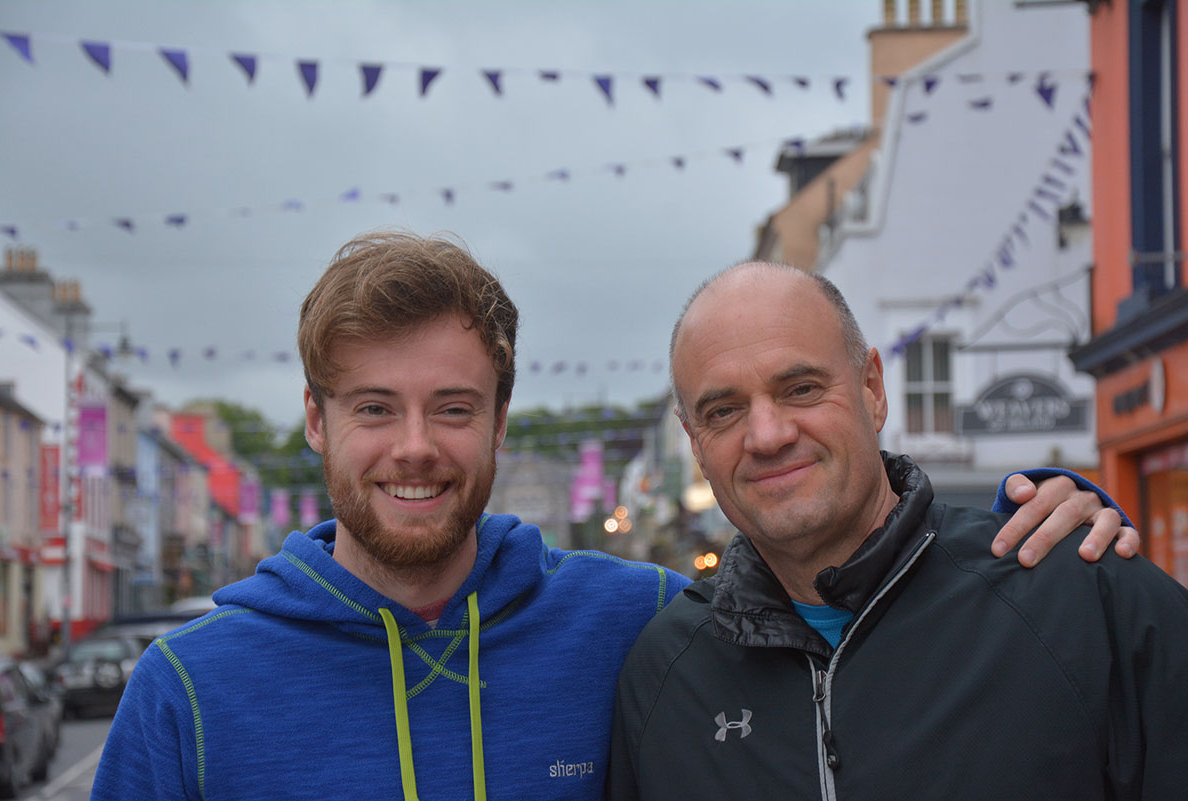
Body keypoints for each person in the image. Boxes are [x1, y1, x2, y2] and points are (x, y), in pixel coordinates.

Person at [92, 233, 1134, 801]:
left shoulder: (640, 623)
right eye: (374, 408)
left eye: (453, 408)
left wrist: (1033, 519)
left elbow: (838, 594)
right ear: (315, 423)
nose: (416, 446)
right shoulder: (187, 690)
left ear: (500, 423)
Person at [609, 263, 1188, 800]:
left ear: (873, 389)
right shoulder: (664, 675)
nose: (767, 435)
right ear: (696, 445)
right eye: (724, 411)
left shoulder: (1083, 600)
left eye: (802, 388)